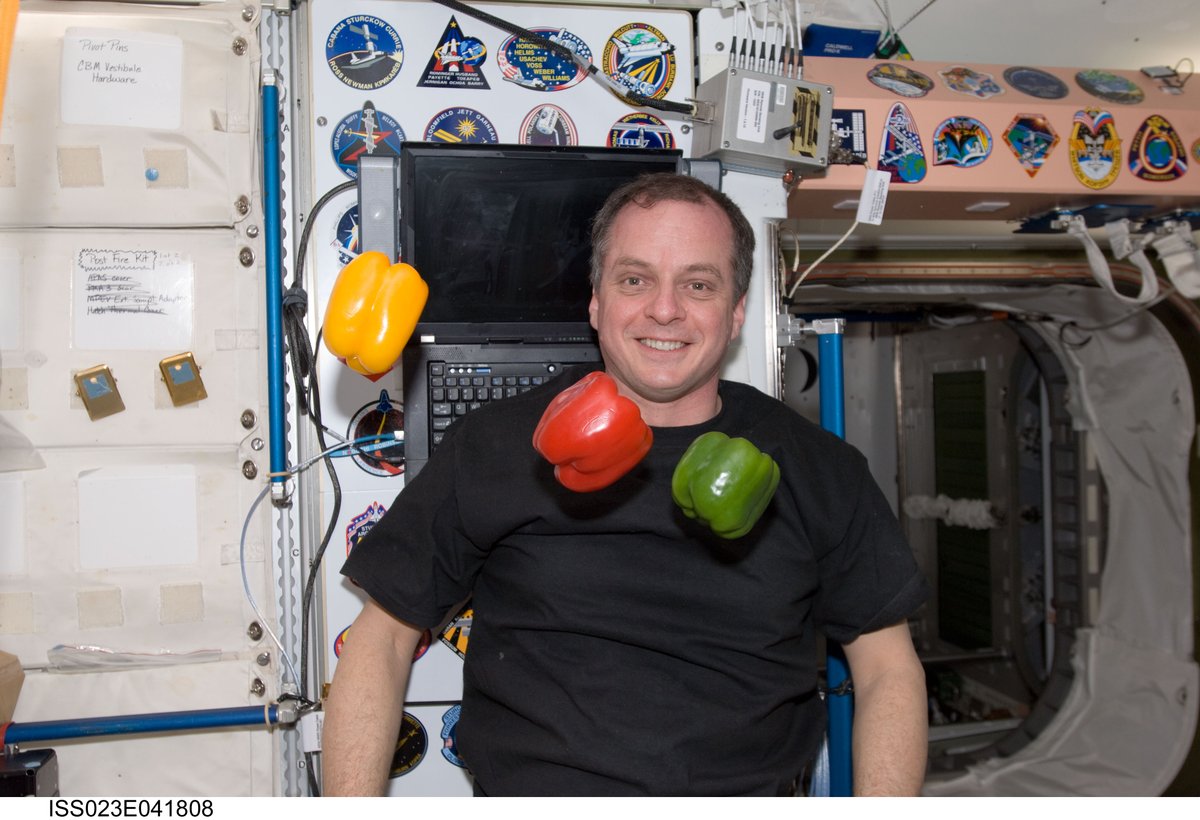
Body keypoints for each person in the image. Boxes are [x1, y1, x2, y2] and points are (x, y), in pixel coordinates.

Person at [322, 173, 929, 796]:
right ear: (595, 300)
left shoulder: (821, 468)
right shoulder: (494, 443)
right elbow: (383, 639)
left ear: (738, 309)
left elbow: (887, 669)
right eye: (635, 280)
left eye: (698, 284)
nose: (664, 310)